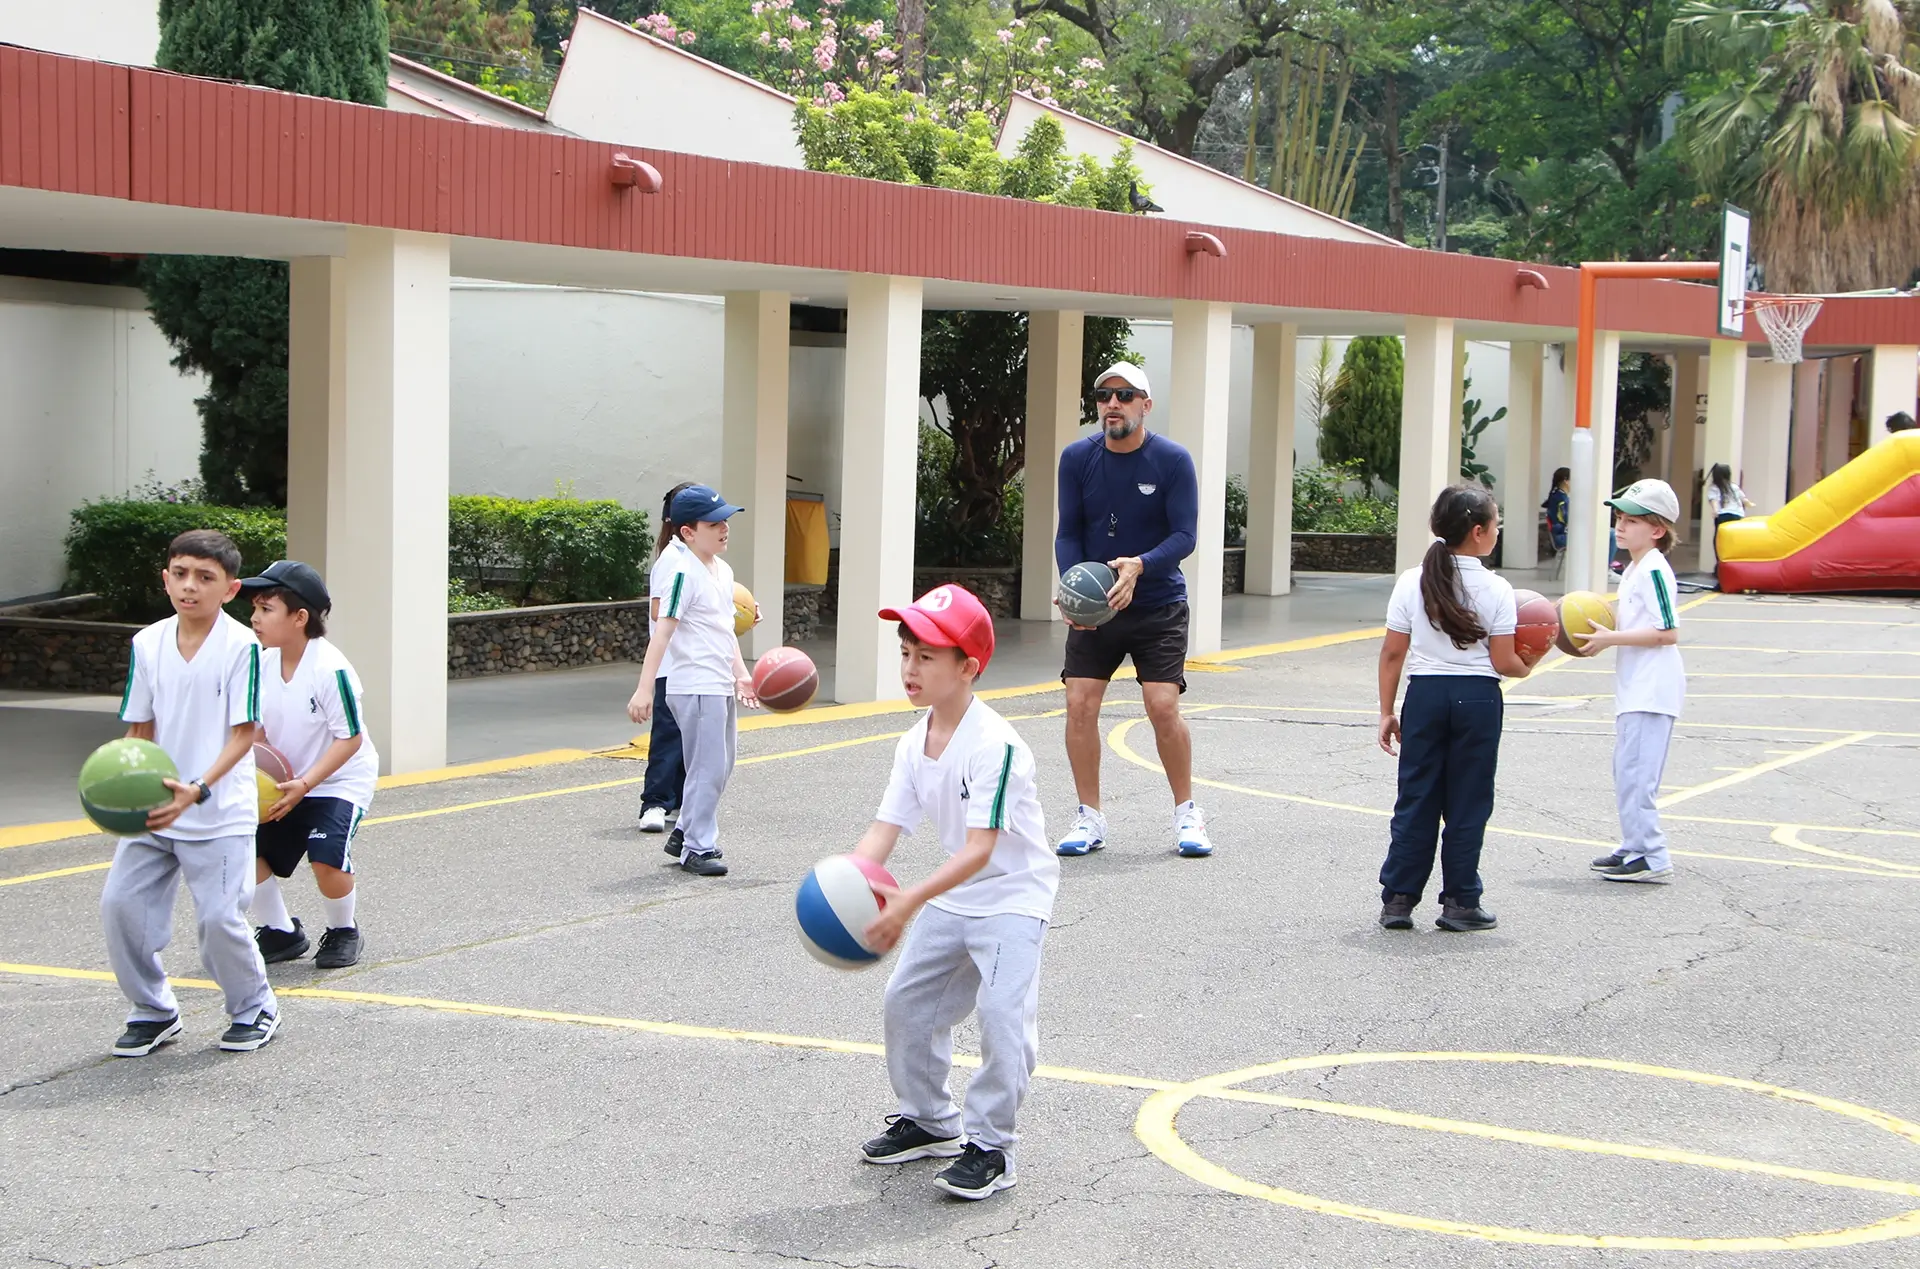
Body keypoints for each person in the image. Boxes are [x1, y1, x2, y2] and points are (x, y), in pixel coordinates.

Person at [851, 585, 1055, 1202]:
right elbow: (885, 830)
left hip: (1013, 897)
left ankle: (991, 1147)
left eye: (926, 657)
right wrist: (847, 885)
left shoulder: (995, 744)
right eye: (906, 653)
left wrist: (906, 901)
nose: (910, 669)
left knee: (1002, 1022)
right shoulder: (913, 742)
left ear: (968, 667)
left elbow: (980, 849)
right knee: (906, 1004)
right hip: (956, 894)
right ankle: (931, 1120)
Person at [100, 530, 279, 1056]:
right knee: (120, 906)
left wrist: (196, 788)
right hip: (157, 809)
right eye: (179, 574)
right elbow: (139, 728)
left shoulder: (242, 645)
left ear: (230, 589)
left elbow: (243, 734)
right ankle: (153, 1010)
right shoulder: (147, 642)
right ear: (165, 578)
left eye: (205, 577)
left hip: (219, 810)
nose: (189, 586)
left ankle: (254, 1006)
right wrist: (124, 789)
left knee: (219, 920)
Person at [1052, 362, 1210, 859]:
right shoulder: (1077, 458)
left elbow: (1185, 535)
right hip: (1100, 606)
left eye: (1124, 395)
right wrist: (1075, 587)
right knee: (1079, 704)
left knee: (1162, 705)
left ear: (1146, 403)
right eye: (1103, 395)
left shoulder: (1172, 460)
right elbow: (1068, 532)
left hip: (1158, 602)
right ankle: (1089, 817)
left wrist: (1139, 565)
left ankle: (1187, 814)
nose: (1112, 404)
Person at [1376, 486, 1533, 933]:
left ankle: (1399, 900)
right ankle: (1461, 901)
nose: (1498, 531)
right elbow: (1504, 662)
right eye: (1496, 524)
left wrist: (1387, 711)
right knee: (1468, 802)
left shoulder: (1412, 580)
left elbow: (1392, 654)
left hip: (1424, 695)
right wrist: (1530, 664)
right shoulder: (1498, 588)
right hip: (1478, 699)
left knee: (1416, 797)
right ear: (1479, 531)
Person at [242, 560, 379, 970]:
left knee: (325, 856)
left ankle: (342, 930)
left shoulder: (330, 669)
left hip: (337, 779)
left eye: (267, 609)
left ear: (300, 617)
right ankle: (280, 932)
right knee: (242, 848)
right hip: (285, 782)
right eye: (255, 608)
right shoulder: (261, 664)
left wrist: (305, 784)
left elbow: (350, 738)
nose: (254, 618)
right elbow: (254, 730)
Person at [626, 484, 756, 877]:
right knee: (706, 768)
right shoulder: (681, 572)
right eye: (713, 522)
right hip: (694, 683)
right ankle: (699, 848)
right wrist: (644, 688)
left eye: (725, 520)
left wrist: (742, 675)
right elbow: (662, 632)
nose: (724, 528)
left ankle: (683, 832)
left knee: (722, 765)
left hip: (718, 682)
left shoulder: (723, 571)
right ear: (688, 532)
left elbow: (724, 630)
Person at [1578, 479, 1686, 884]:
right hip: (1637, 688)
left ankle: (1653, 856)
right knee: (1627, 770)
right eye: (1618, 519)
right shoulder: (1634, 569)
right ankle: (1633, 845)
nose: (1620, 527)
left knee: (1639, 775)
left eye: (1631, 520)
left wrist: (1611, 639)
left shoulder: (1655, 569)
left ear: (1657, 530)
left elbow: (1667, 631)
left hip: (1652, 689)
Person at [637, 481, 698, 840]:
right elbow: (660, 608)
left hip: (694, 667)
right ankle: (655, 802)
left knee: (691, 739)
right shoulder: (672, 559)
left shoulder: (703, 561)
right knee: (668, 734)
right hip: (671, 666)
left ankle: (676, 800)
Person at [1704, 463, 1753, 528]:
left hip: (1723, 515)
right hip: (1737, 515)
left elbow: (1714, 500)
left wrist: (1715, 510)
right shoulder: (1734, 486)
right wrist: (1750, 504)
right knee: (1734, 536)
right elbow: (1744, 499)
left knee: (1721, 536)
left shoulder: (1713, 488)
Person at [1542, 467, 1570, 556]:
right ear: (1566, 480)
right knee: (1609, 535)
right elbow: (1567, 519)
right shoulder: (1561, 499)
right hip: (1562, 536)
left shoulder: (1556, 496)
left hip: (1561, 535)